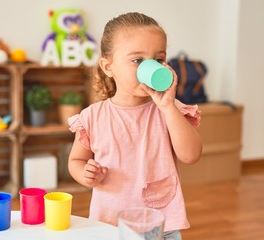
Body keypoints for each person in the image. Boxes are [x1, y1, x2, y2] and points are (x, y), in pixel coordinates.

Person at [67, 12, 202, 240]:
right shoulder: (93, 116)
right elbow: (76, 161)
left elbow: (191, 156)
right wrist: (85, 174)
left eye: (158, 60)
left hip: (161, 223)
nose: (150, 68)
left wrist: (168, 106)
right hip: (110, 223)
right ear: (108, 67)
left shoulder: (169, 110)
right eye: (138, 60)